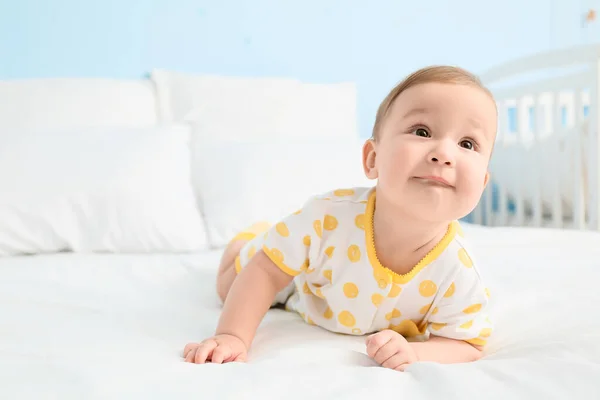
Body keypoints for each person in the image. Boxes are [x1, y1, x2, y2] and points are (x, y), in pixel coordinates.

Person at [183, 65, 497, 371]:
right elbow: (265, 271)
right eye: (422, 131)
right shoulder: (328, 218)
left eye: (467, 144)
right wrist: (232, 335)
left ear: (482, 183)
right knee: (230, 286)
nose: (443, 153)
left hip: (321, 293)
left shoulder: (458, 271)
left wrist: (415, 353)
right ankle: (254, 236)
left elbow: (467, 344)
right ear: (373, 159)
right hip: (299, 282)